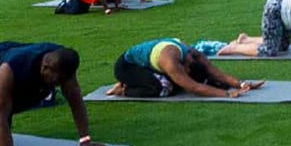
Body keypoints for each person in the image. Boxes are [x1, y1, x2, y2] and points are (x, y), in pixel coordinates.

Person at [108, 37, 267, 99]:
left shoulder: (192, 53)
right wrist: (226, 94)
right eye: (188, 71)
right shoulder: (171, 61)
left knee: (188, 80)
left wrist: (241, 84)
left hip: (149, 64)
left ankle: (135, 82)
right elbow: (194, 87)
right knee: (164, 89)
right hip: (127, 67)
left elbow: (214, 72)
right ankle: (124, 88)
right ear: (185, 65)